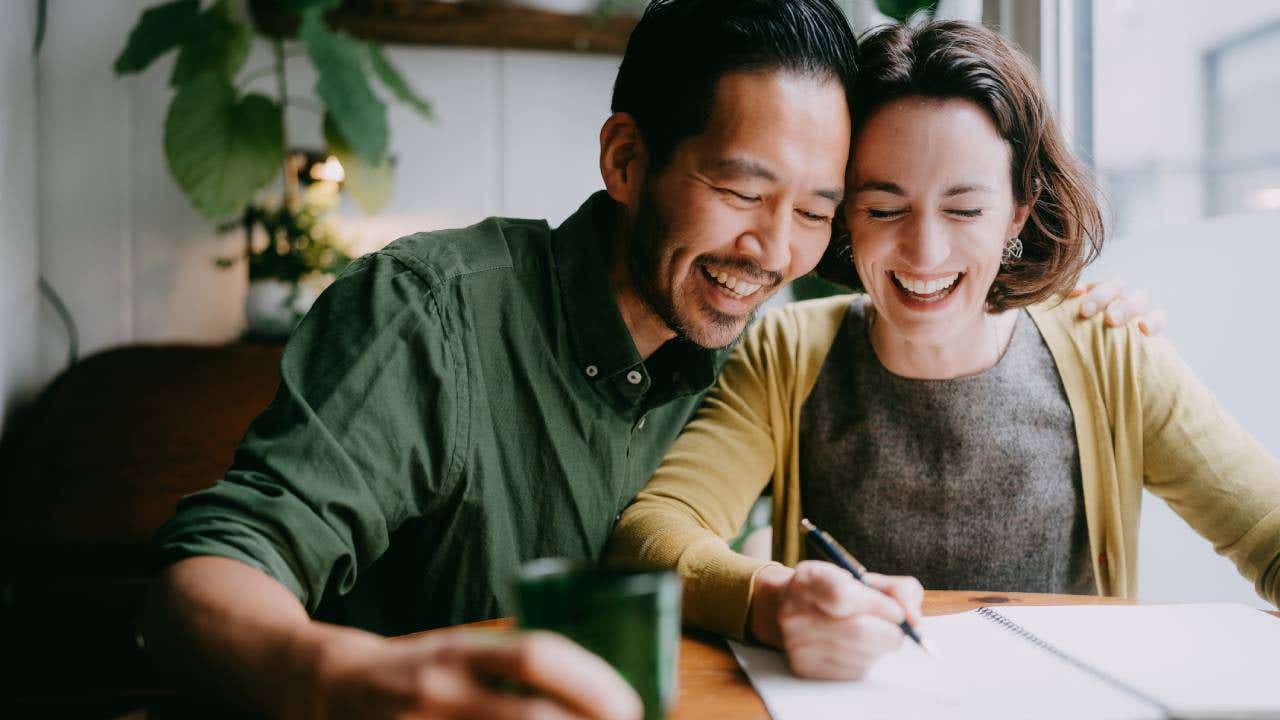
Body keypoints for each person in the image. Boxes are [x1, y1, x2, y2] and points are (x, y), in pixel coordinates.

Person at [144, 2, 1158, 716]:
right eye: (737, 188)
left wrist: (1070, 318)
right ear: (625, 159)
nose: (772, 248)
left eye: (815, 208)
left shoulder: (781, 329)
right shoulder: (434, 312)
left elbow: (936, 285)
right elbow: (218, 567)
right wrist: (338, 682)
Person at [606, 19, 1280, 683]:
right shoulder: (787, 352)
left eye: (964, 210)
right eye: (884, 208)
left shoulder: (1110, 351)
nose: (925, 253)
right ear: (844, 216)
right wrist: (771, 600)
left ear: (1018, 209)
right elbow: (654, 532)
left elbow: (1267, 530)